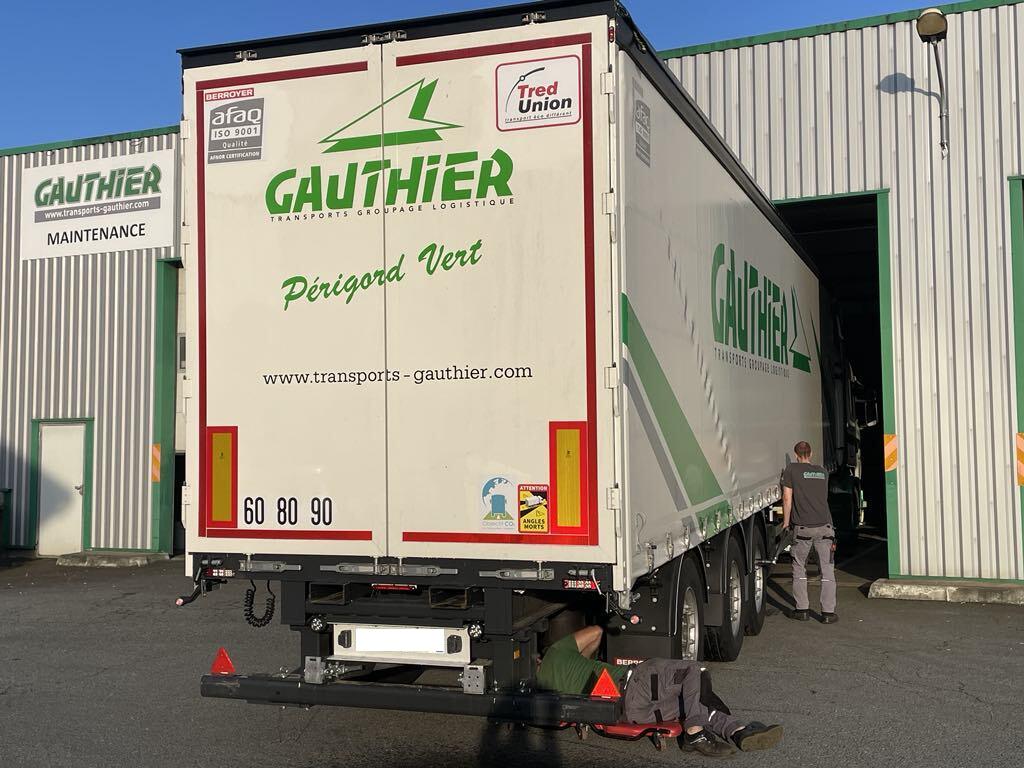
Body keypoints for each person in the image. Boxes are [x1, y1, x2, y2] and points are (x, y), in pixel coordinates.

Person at [536, 626, 783, 757]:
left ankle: (737, 731)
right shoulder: (556, 652)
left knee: (691, 702)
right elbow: (596, 632)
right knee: (693, 670)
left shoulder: (543, 687)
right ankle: (695, 733)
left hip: (630, 714)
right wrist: (585, 659)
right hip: (633, 685)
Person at [781, 440, 838, 623]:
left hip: (803, 528)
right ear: (811, 454)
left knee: (799, 567)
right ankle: (828, 613)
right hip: (825, 527)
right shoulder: (822, 472)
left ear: (796, 454)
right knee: (827, 570)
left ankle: (802, 610)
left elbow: (787, 498)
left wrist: (786, 523)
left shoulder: (791, 470)